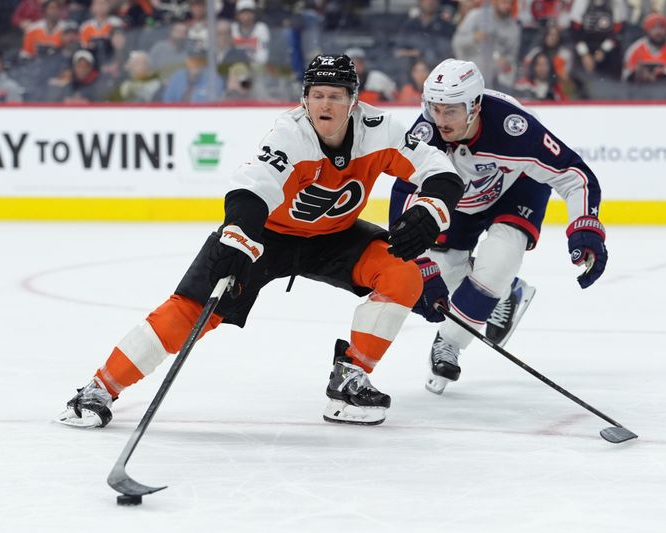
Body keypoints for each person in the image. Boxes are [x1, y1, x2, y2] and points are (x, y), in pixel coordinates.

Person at [56, 53, 463, 428]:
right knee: (192, 309)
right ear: (304, 99)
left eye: (336, 96)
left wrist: (431, 210)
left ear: (353, 101)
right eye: (317, 95)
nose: (325, 105)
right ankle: (99, 388)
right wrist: (237, 239)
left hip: (335, 237)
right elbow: (253, 188)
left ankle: (349, 380)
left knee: (402, 274)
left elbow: (437, 168)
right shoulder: (290, 134)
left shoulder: (380, 130)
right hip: (267, 236)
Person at [390, 59, 607, 394]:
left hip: (517, 189)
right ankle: (508, 292)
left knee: (499, 262)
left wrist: (586, 227)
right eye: (435, 109)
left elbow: (575, 175)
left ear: (475, 106)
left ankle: (449, 342)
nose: (441, 120)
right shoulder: (425, 135)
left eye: (451, 111)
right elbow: (404, 194)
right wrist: (415, 258)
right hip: (458, 199)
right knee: (442, 272)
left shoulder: (513, 128)